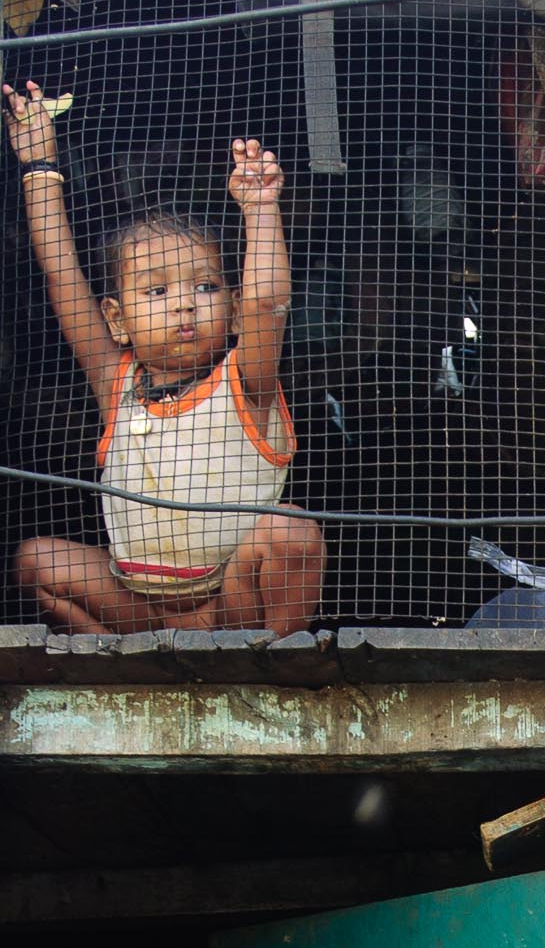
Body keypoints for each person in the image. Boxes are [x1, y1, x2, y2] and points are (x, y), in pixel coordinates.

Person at [2, 79, 324, 634]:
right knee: (37, 561)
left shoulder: (246, 380)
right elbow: (61, 274)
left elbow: (267, 303)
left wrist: (260, 208)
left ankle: (272, 667)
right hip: (137, 607)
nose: (183, 305)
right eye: (156, 291)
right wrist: (40, 166)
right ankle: (120, 662)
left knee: (291, 531)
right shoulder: (117, 381)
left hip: (232, 610)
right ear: (116, 319)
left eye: (204, 286)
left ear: (232, 310)